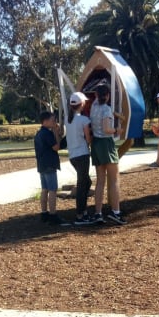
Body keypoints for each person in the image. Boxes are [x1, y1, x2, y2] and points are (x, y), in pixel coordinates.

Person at [89, 82, 127, 225]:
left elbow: (97, 98)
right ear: (108, 96)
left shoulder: (93, 107)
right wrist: (117, 130)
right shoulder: (106, 110)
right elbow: (106, 129)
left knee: (100, 181)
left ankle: (98, 213)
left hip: (96, 144)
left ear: (96, 95)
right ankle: (115, 212)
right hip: (106, 143)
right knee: (114, 179)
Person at [34, 110, 70, 226]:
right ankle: (53, 215)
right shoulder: (47, 133)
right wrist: (55, 132)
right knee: (53, 190)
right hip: (49, 164)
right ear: (45, 121)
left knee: (45, 189)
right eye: (52, 120)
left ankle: (44, 213)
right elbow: (56, 147)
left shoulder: (39, 134)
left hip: (42, 164)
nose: (54, 122)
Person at [65, 91, 93, 226]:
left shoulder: (68, 119)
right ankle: (80, 216)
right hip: (82, 155)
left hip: (73, 156)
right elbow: (88, 138)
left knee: (86, 182)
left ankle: (84, 212)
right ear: (82, 104)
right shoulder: (84, 120)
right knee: (83, 185)